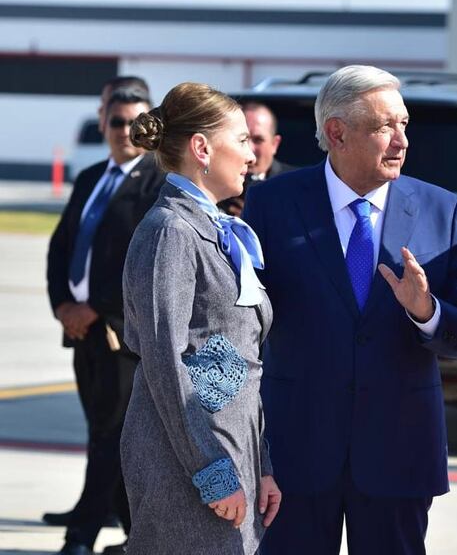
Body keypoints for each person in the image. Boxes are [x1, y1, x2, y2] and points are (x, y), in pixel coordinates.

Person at [243, 65, 457, 554]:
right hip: (296, 451)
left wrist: (427, 312)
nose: (401, 139)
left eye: (404, 124)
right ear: (336, 133)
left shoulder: (444, 211)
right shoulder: (271, 204)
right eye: (384, 127)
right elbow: (242, 326)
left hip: (398, 454)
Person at [121, 82, 281, 555]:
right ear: (202, 149)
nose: (251, 154)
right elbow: (165, 363)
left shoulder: (211, 227)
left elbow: (244, 359)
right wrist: (211, 471)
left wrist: (261, 462)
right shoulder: (170, 230)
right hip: (186, 466)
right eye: (241, 140)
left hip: (230, 457)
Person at [46, 85, 163, 555]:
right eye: (116, 123)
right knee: (104, 432)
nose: (125, 132)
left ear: (150, 127)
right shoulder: (91, 176)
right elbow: (61, 248)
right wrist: (63, 306)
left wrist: (95, 306)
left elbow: (145, 260)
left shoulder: (159, 182)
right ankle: (140, 536)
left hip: (123, 333)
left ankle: (81, 536)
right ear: (104, 125)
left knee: (112, 435)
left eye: (135, 123)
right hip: (82, 333)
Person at [217, 102, 292, 216]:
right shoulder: (214, 185)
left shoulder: (295, 186)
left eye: (258, 140)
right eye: (242, 140)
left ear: (274, 144)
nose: (249, 149)